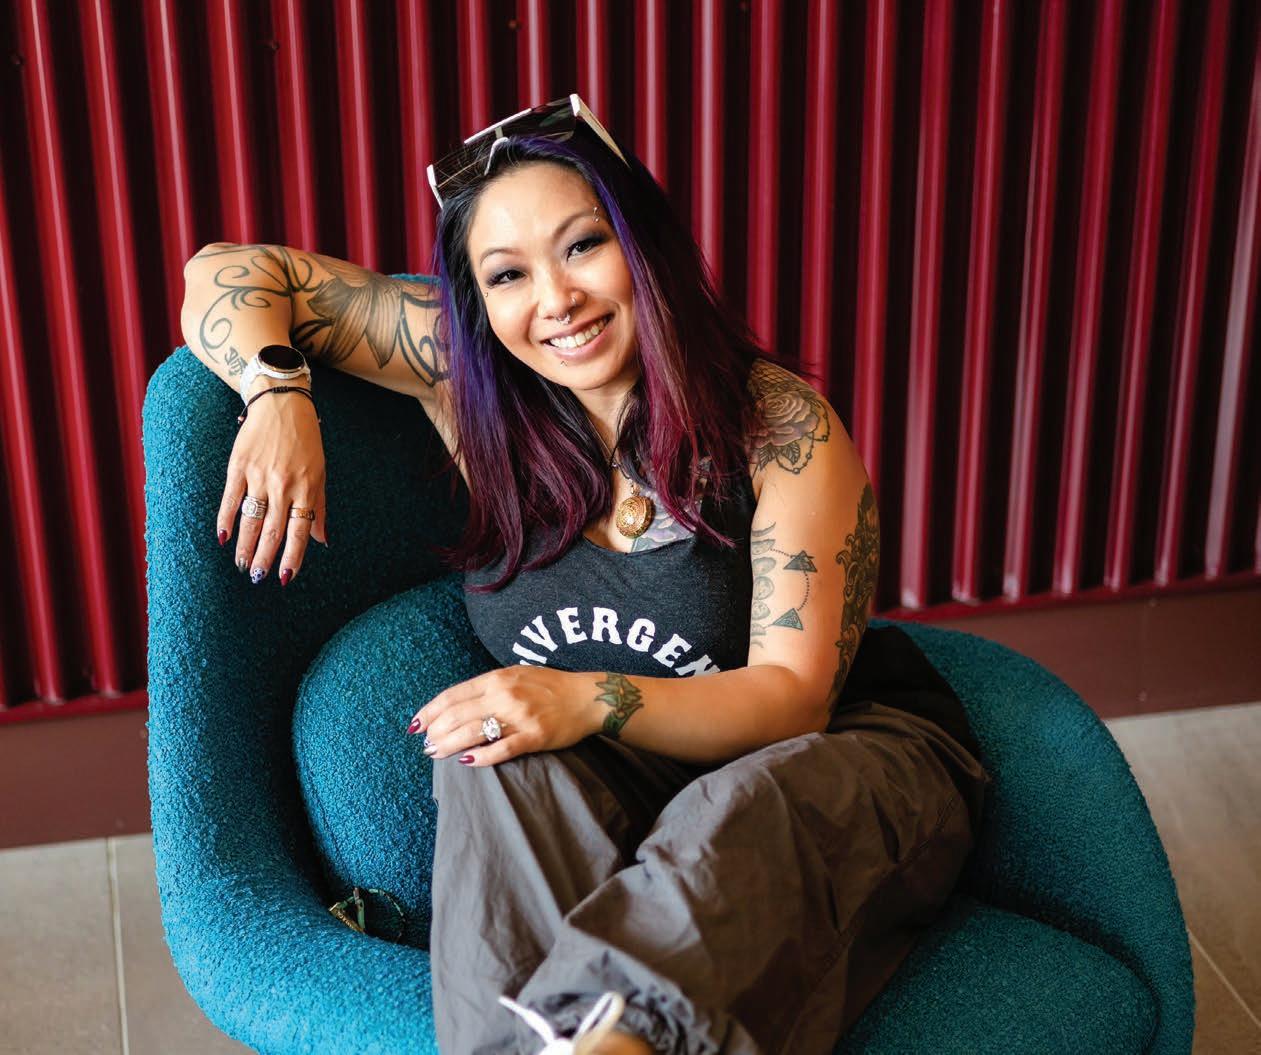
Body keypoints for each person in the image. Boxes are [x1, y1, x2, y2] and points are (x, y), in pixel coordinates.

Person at [181, 95, 992, 1055]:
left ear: (641, 247)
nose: (555, 300)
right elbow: (227, 270)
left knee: (736, 806)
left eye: (582, 246)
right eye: (508, 274)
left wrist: (586, 698)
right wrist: (276, 389)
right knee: (492, 758)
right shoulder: (463, 380)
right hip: (630, 778)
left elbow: (794, 699)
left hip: (830, 767)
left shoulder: (777, 427)